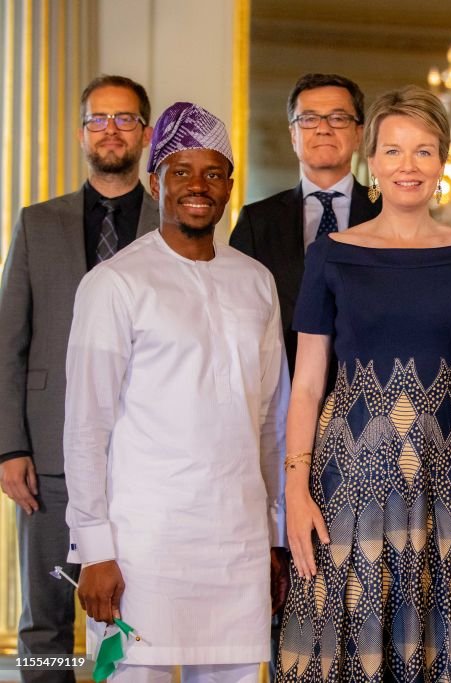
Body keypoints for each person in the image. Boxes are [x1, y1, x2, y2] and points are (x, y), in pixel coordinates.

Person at [277, 85, 451, 682]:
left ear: (443, 161)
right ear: (371, 160)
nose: (407, 166)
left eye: (422, 151)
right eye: (392, 151)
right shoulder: (331, 255)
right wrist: (294, 491)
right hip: (348, 478)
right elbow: (308, 384)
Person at [63, 102, 289, 682]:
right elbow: (87, 426)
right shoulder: (114, 283)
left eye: (213, 173)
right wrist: (95, 550)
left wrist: (274, 537)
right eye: (181, 171)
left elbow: (272, 422)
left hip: (237, 545)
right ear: (154, 179)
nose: (198, 186)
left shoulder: (255, 281)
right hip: (143, 547)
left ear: (229, 186)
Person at [0, 74, 157, 679]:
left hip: (146, 460)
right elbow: (8, 345)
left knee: (135, 618)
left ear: (144, 132)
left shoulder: (175, 225)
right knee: (46, 621)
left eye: (124, 119)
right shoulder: (37, 224)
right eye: (99, 119)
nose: (111, 130)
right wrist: (11, 446)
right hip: (49, 457)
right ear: (81, 133)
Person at [231, 73, 382, 375]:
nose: (324, 128)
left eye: (338, 118)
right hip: (281, 387)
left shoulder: (386, 209)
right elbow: (236, 316)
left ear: (359, 133)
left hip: (373, 388)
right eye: (309, 119)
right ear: (293, 134)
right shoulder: (257, 221)